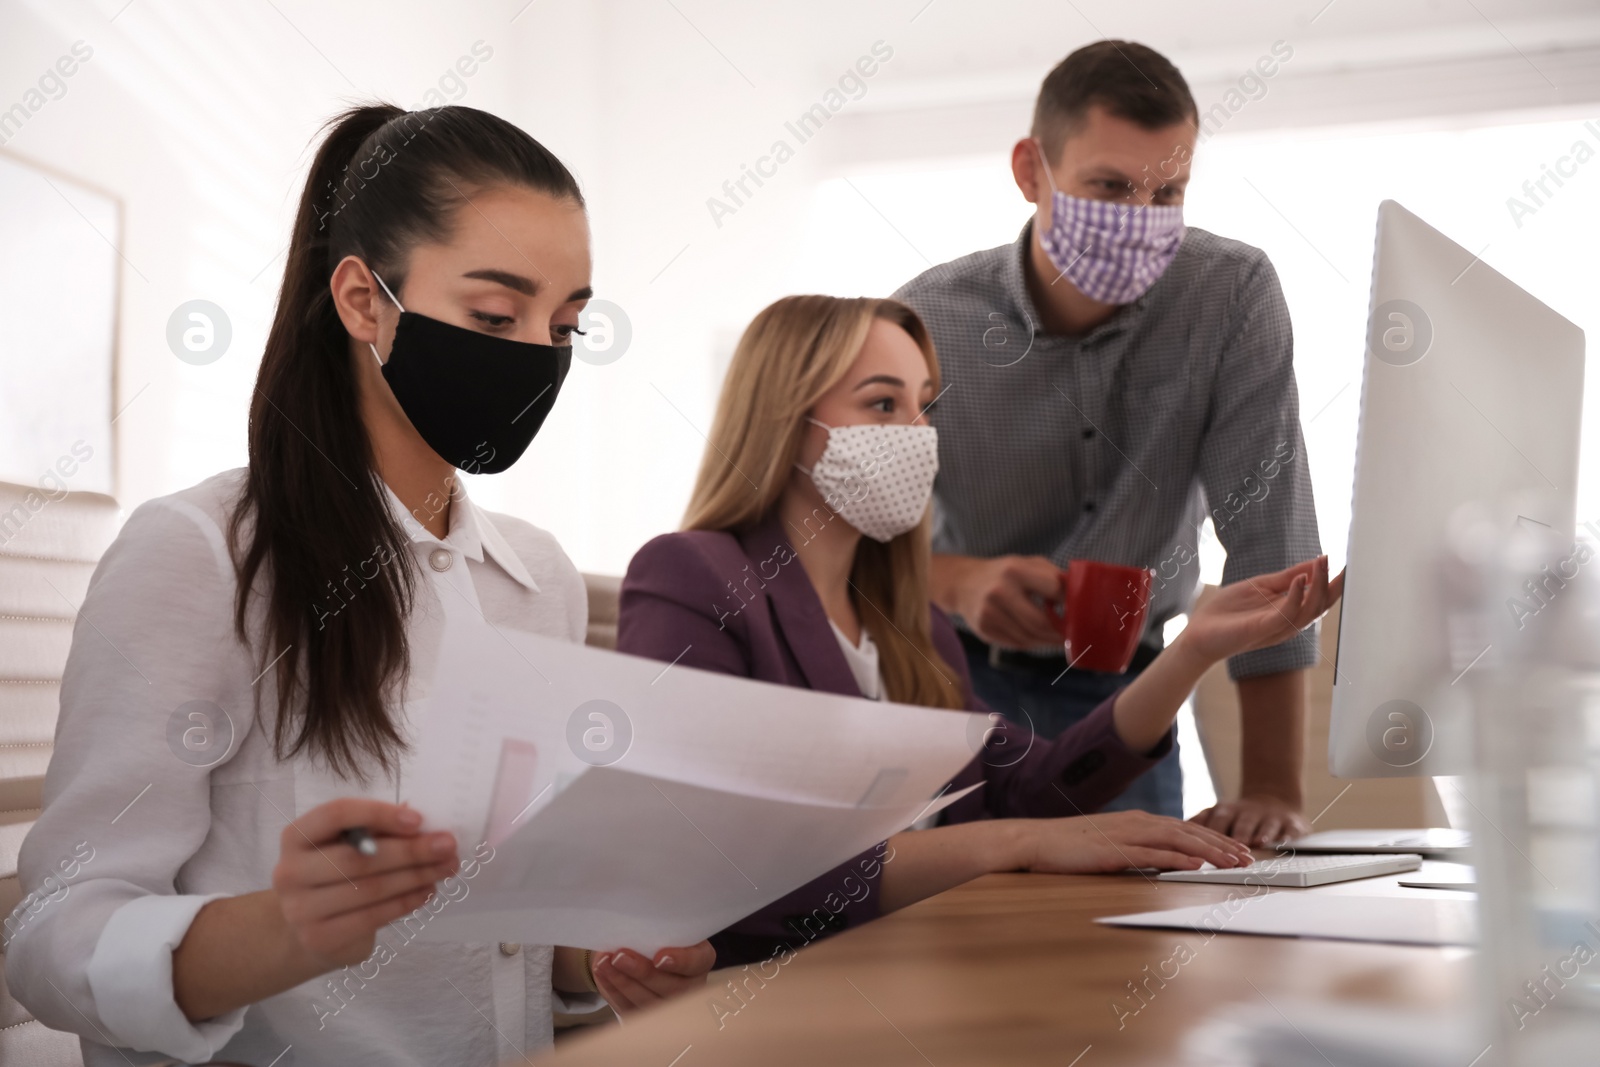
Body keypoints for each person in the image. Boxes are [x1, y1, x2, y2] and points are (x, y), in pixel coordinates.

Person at [6, 104, 712, 1067]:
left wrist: (598, 959)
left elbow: (510, 927)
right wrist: (279, 929)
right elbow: (52, 936)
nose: (536, 356)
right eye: (494, 317)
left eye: (566, 326)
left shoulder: (537, 576)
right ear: (363, 301)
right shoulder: (200, 553)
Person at [617, 294, 1339, 966]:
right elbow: (723, 859)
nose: (917, 434)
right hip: (792, 990)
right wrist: (1018, 844)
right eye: (881, 403)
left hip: (929, 961)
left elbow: (1031, 789)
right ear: (785, 422)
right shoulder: (692, 574)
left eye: (923, 405)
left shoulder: (909, 622)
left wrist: (1193, 649)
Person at [892, 40, 1323, 844]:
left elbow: (1270, 537)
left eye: (1169, 192)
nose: (1141, 220)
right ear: (1031, 172)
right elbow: (847, 540)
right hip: (954, 688)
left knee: (1131, 952)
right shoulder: (928, 319)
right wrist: (953, 580)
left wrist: (1271, 786)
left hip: (1131, 695)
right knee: (949, 945)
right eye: (1111, 187)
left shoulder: (1230, 296)